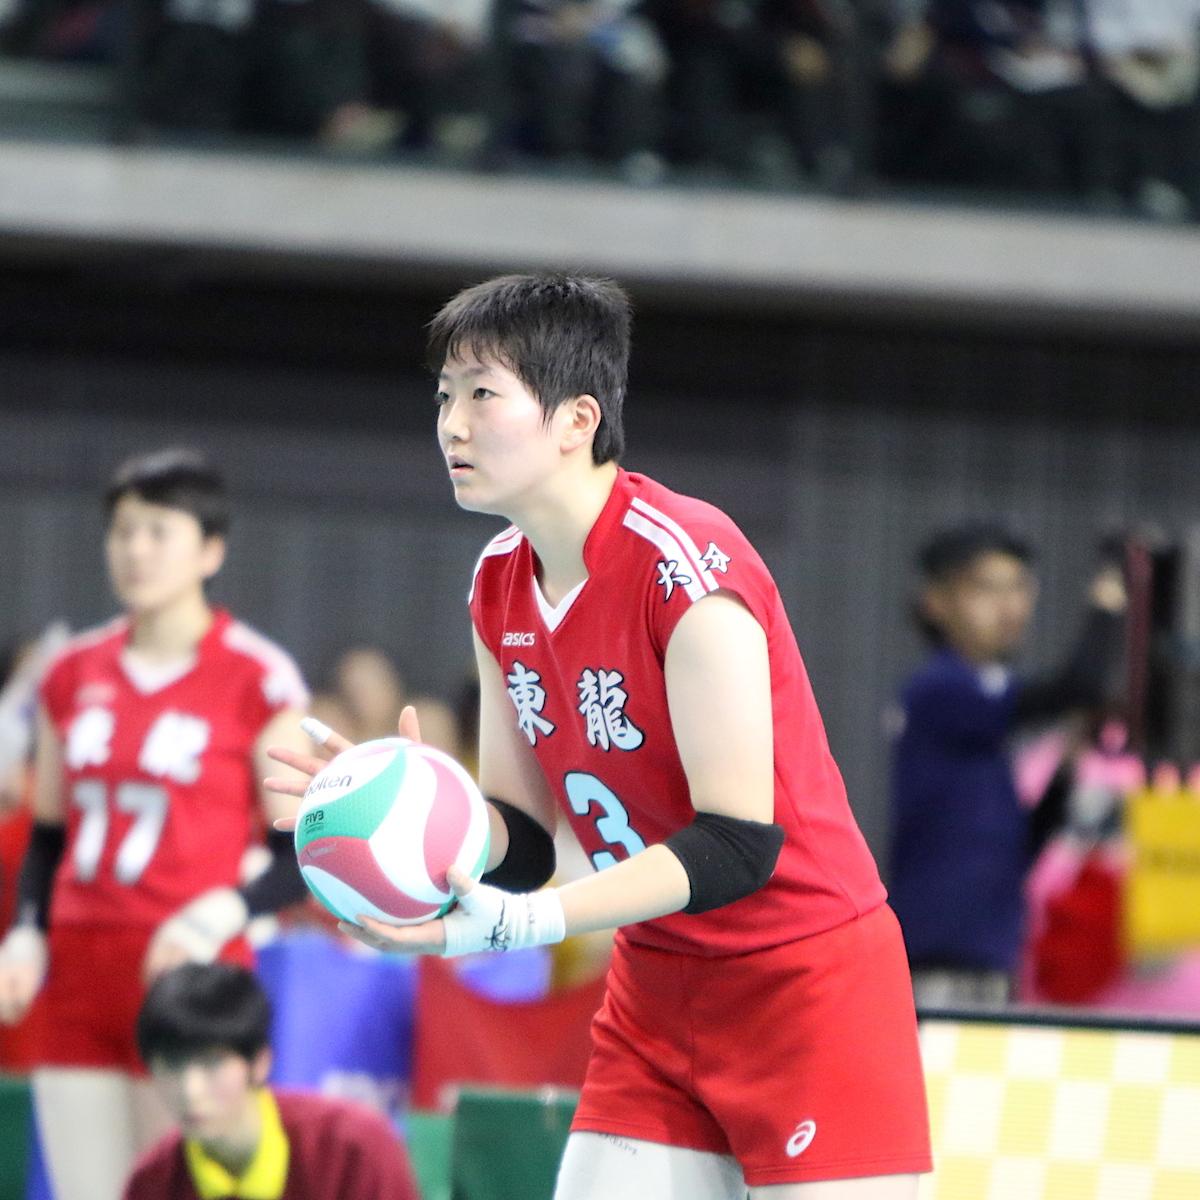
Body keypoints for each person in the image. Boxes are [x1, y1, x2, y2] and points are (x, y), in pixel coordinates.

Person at [268, 273, 931, 1198]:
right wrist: (407, 806)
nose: (452, 425)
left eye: (482, 395)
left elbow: (738, 844)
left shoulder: (686, 567)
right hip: (655, 988)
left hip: (805, 985)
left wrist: (532, 922)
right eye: (444, 397)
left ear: (578, 420)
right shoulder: (497, 582)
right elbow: (523, 841)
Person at [0, 448, 313, 1200]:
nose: (135, 550)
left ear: (211, 550)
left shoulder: (258, 677)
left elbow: (301, 854)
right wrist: (27, 931)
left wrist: (221, 912)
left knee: (178, 1187)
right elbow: (48, 835)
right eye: (122, 531)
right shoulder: (71, 672)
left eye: (158, 531)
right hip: (78, 976)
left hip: (188, 975)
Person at [888, 523, 1127, 1009]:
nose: (1009, 607)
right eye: (986, 588)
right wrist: (1108, 601)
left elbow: (1020, 847)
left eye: (1019, 588)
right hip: (937, 966)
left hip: (995, 964)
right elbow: (1078, 686)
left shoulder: (984, 723)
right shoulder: (938, 691)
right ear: (935, 602)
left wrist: (1067, 765)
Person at [124, 962, 420, 1200]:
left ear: (260, 1063)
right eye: (172, 1065)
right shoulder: (150, 1185)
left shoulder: (355, 1149)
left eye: (212, 1063)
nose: (190, 1091)